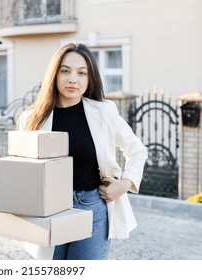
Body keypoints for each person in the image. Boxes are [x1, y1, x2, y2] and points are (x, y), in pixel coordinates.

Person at [17, 42, 148, 260]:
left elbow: (137, 150)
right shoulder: (31, 119)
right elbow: (20, 172)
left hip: (92, 208)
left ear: (90, 78)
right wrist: (1, 214)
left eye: (82, 73)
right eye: (65, 71)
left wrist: (124, 185)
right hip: (48, 211)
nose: (73, 79)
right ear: (54, 74)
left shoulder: (104, 112)